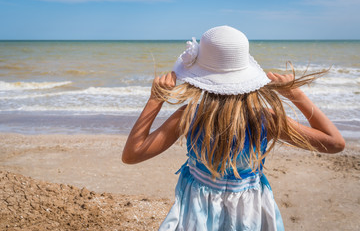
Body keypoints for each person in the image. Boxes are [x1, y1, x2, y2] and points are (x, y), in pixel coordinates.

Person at [122, 26, 345, 231]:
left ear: (199, 78)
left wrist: (155, 99)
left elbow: (132, 154)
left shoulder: (189, 116)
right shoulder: (266, 119)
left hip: (198, 213)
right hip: (249, 214)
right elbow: (335, 143)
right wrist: (296, 95)